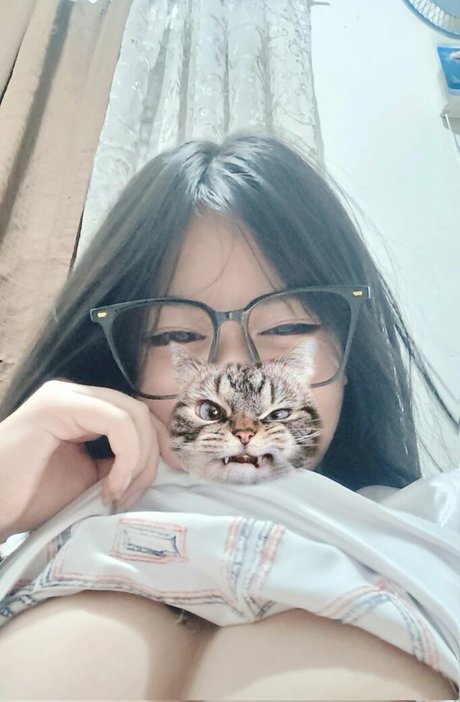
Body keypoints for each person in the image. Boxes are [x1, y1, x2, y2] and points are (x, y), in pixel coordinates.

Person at [0, 134, 457, 700]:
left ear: (349, 358)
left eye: (288, 328)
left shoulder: (439, 522)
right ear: (119, 364)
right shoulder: (37, 522)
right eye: (175, 335)